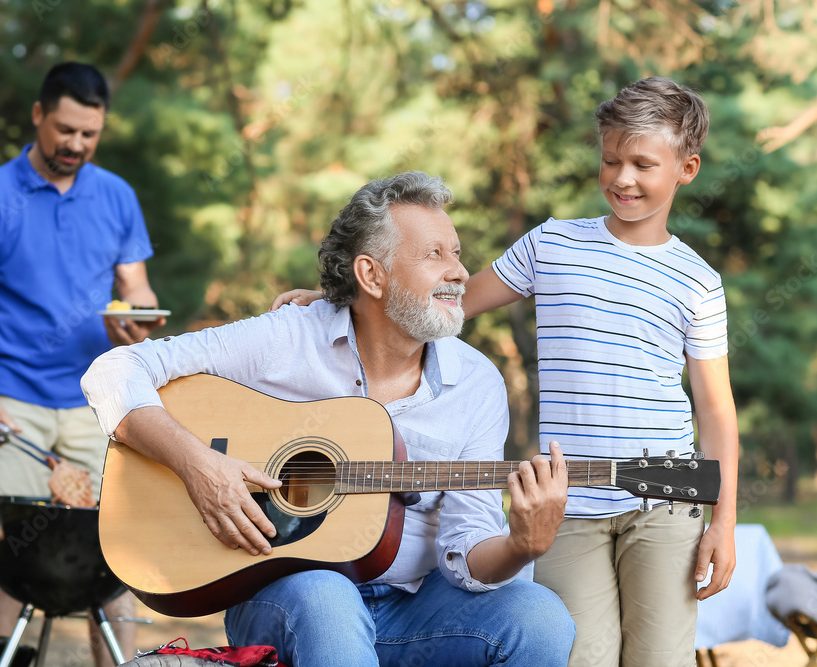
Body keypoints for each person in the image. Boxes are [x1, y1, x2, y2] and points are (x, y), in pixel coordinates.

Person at [271, 78, 739, 666]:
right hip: (567, 507)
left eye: (643, 164)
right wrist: (341, 297)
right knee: (577, 656)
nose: (623, 177)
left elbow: (716, 409)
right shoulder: (552, 245)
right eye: (610, 159)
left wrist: (724, 522)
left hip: (666, 501)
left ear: (686, 168)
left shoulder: (699, 282)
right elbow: (445, 303)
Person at [81, 171, 575, 667]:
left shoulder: (477, 382)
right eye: (435, 255)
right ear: (371, 275)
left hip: (418, 610)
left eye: (457, 253)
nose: (461, 273)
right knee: (328, 598)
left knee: (540, 616)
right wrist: (197, 465)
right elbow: (117, 367)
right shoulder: (288, 337)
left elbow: (466, 547)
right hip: (287, 597)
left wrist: (519, 544)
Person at [0, 62, 163, 665]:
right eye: (65, 130)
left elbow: (136, 290)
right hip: (9, 398)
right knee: (7, 554)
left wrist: (134, 317)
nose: (76, 145)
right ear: (38, 116)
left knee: (112, 552)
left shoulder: (116, 196)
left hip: (94, 401)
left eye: (89, 134)